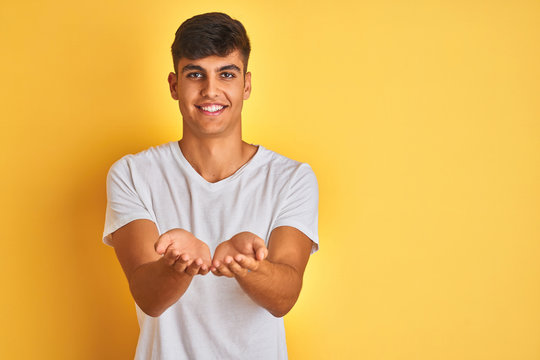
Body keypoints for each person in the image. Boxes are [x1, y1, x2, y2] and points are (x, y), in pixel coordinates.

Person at [102, 12, 319, 359]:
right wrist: (178, 264)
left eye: (227, 74)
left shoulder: (292, 178)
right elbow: (148, 297)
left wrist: (247, 265)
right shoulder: (131, 173)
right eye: (195, 74)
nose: (211, 90)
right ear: (174, 85)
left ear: (246, 85)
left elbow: (284, 298)